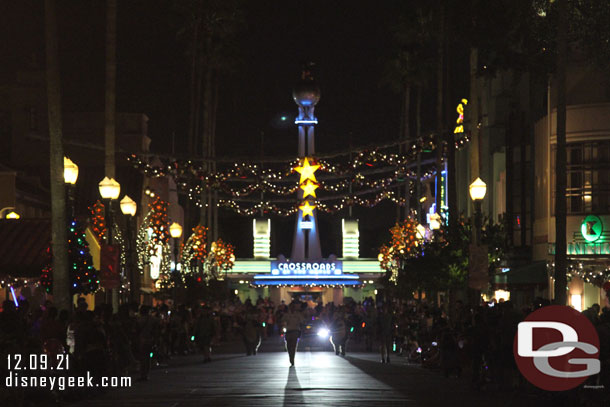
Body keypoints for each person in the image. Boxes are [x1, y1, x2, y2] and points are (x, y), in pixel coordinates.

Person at [282, 301, 304, 367]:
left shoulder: (298, 314)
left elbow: (302, 321)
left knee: (293, 346)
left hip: (295, 331)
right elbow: (283, 321)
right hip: (288, 331)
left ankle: (292, 359)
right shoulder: (286, 315)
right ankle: (290, 357)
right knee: (288, 346)